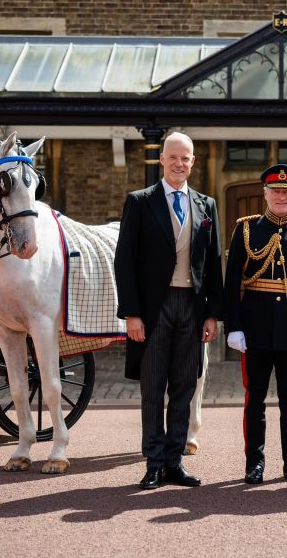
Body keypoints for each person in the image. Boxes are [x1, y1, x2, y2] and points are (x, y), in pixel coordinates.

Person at [115, 132, 223, 490]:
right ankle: (153, 462)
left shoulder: (206, 205)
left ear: (193, 162)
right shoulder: (140, 202)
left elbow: (213, 265)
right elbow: (125, 262)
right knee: (153, 387)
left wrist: (212, 314)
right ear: (161, 159)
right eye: (173, 157)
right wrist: (131, 313)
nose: (180, 163)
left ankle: (175, 462)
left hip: (191, 308)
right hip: (153, 309)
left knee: (183, 386)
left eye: (186, 158)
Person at [225, 164, 287, 485]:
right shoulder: (246, 229)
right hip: (254, 329)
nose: (281, 196)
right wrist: (233, 326)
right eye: (275, 191)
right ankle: (254, 463)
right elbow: (231, 283)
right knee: (255, 398)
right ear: (265, 194)